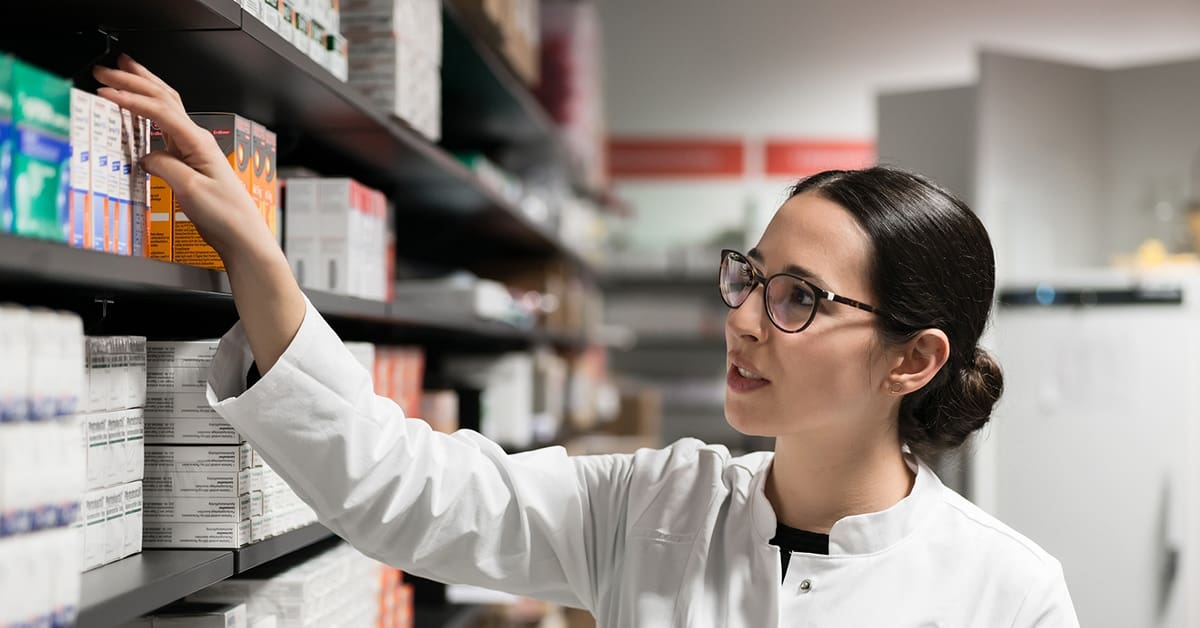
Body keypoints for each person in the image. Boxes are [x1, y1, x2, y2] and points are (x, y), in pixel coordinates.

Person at [94, 55, 1079, 627]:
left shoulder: (1010, 591)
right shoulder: (657, 502)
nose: (742, 316)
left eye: (799, 300)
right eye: (750, 276)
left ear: (913, 359)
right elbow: (403, 490)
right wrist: (260, 260)